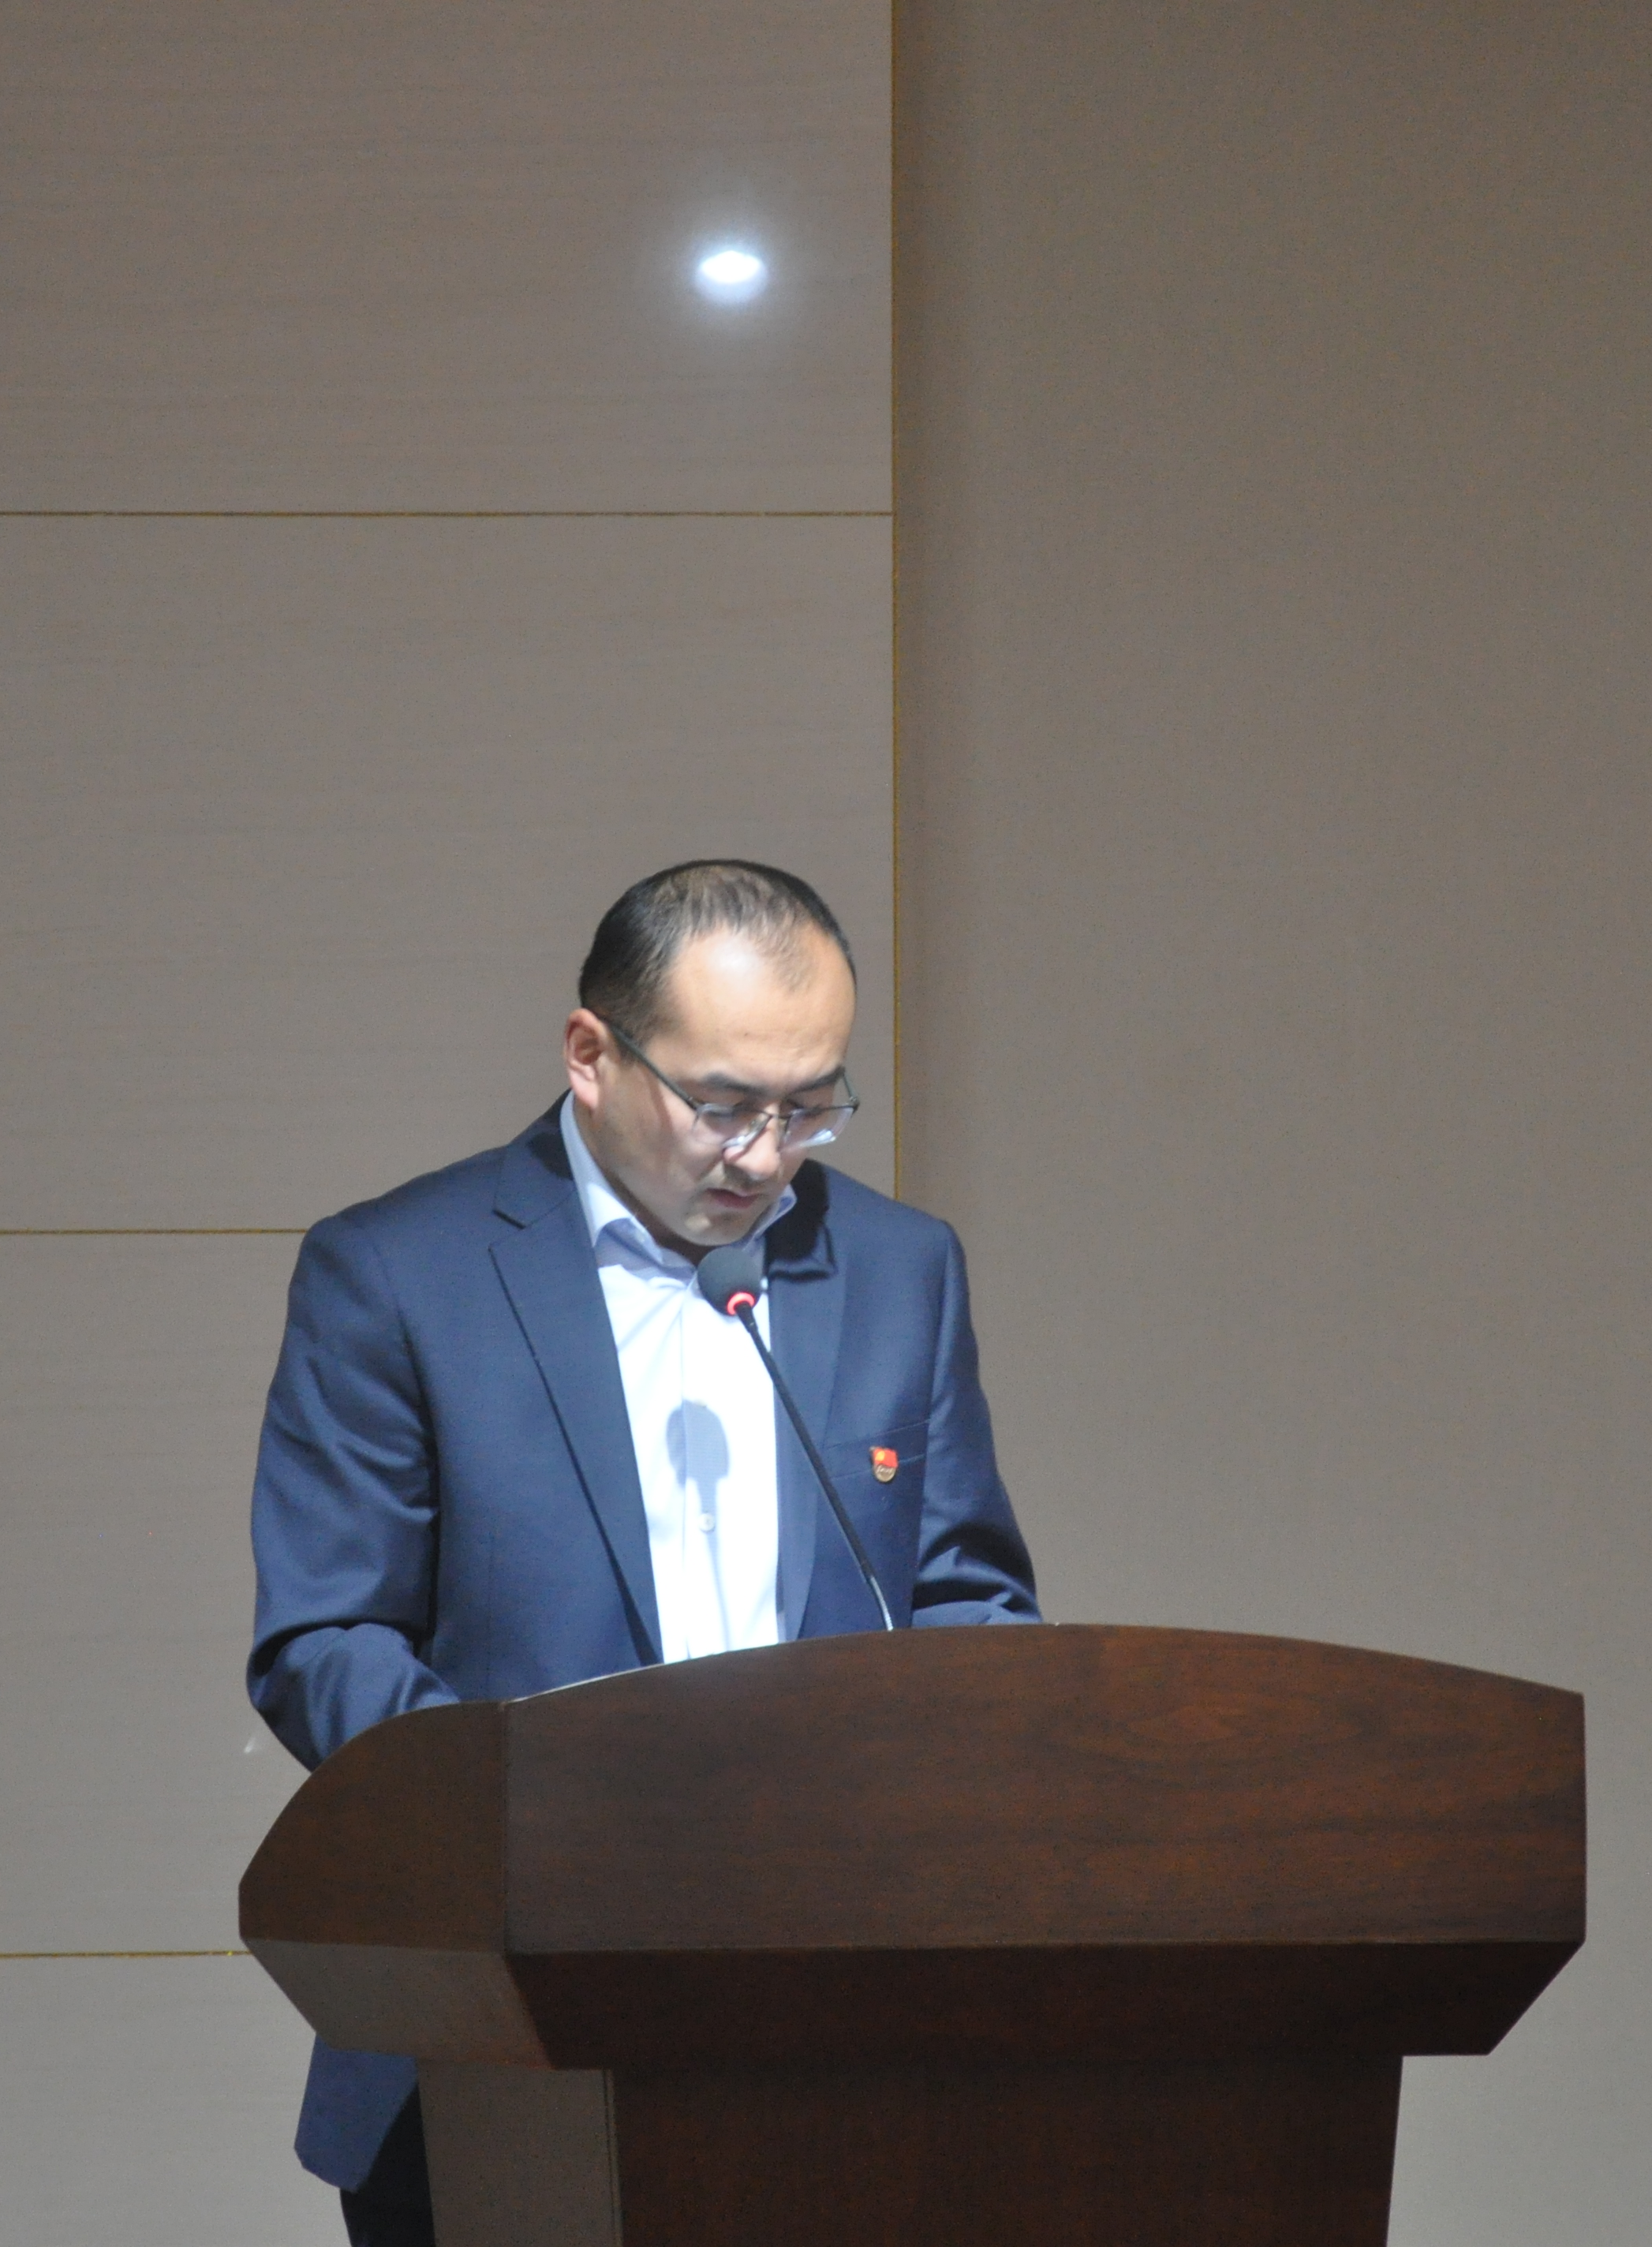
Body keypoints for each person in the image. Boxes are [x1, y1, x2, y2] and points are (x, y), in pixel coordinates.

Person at [245, 859, 1044, 2245]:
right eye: (723, 1105)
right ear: (591, 1054)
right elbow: (326, 1639)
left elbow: (964, 1599)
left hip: (845, 2040)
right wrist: (536, 1824)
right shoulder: (401, 1273)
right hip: (500, 2039)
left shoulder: (899, 1268)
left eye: (812, 1105)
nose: (766, 1155)